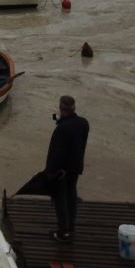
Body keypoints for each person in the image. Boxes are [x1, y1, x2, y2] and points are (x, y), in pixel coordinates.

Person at [45, 95, 89, 241]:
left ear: (61, 109)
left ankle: (63, 232)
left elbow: (57, 153)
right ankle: (71, 227)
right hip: (75, 168)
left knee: (60, 200)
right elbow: (75, 144)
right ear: (74, 108)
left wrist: (50, 172)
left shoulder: (62, 129)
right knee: (71, 197)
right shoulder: (83, 124)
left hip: (62, 171)